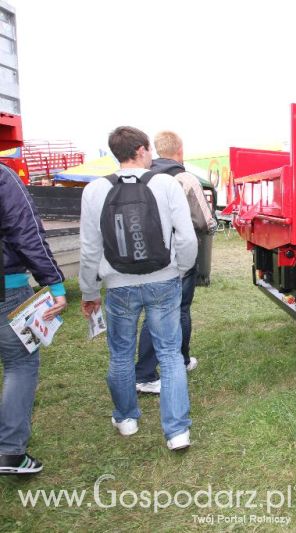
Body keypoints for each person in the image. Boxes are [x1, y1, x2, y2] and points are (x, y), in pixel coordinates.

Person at [79, 126, 197, 450]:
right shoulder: (166, 185)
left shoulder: (94, 191)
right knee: (170, 355)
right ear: (143, 150)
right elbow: (186, 238)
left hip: (118, 284)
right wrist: (181, 268)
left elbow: (89, 249)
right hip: (164, 279)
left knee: (120, 353)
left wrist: (89, 292)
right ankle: (177, 432)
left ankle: (126, 418)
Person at [135, 131, 216, 395]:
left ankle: (145, 371)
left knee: (153, 313)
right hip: (178, 258)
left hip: (146, 257)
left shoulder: (143, 176)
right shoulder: (184, 178)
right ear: (180, 150)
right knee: (180, 309)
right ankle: (177, 361)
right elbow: (205, 221)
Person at [0, 163, 67, 475]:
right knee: (21, 363)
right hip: (6, 288)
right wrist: (53, 283)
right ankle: (11, 452)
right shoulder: (3, 177)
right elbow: (26, 232)